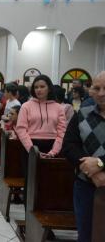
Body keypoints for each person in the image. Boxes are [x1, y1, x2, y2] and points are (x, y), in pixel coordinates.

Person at [61, 71, 105, 242]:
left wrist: (100, 164)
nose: (101, 93)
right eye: (97, 88)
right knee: (86, 235)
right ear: (90, 90)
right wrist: (92, 171)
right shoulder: (83, 111)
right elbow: (70, 146)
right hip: (86, 185)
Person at [16, 75, 66, 206]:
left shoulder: (58, 107)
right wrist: (32, 150)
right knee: (31, 182)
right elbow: (21, 129)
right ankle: (29, 217)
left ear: (49, 88)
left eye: (42, 86)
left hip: (52, 147)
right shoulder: (26, 106)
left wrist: (54, 151)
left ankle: (47, 216)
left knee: (50, 183)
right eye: (36, 87)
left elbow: (62, 132)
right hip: (31, 147)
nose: (39, 90)